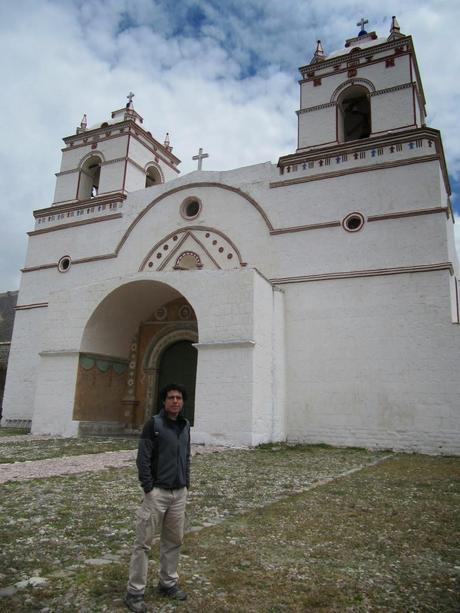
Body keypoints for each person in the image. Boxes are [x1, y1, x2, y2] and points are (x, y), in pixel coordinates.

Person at [124, 383, 191, 613]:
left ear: (183, 402)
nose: (175, 401)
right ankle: (134, 592)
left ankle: (168, 583)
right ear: (163, 401)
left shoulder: (185, 426)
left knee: (174, 540)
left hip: (179, 492)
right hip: (157, 493)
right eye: (171, 397)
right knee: (143, 543)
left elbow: (186, 455)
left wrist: (186, 483)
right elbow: (143, 458)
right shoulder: (153, 425)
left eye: (179, 398)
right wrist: (148, 487)